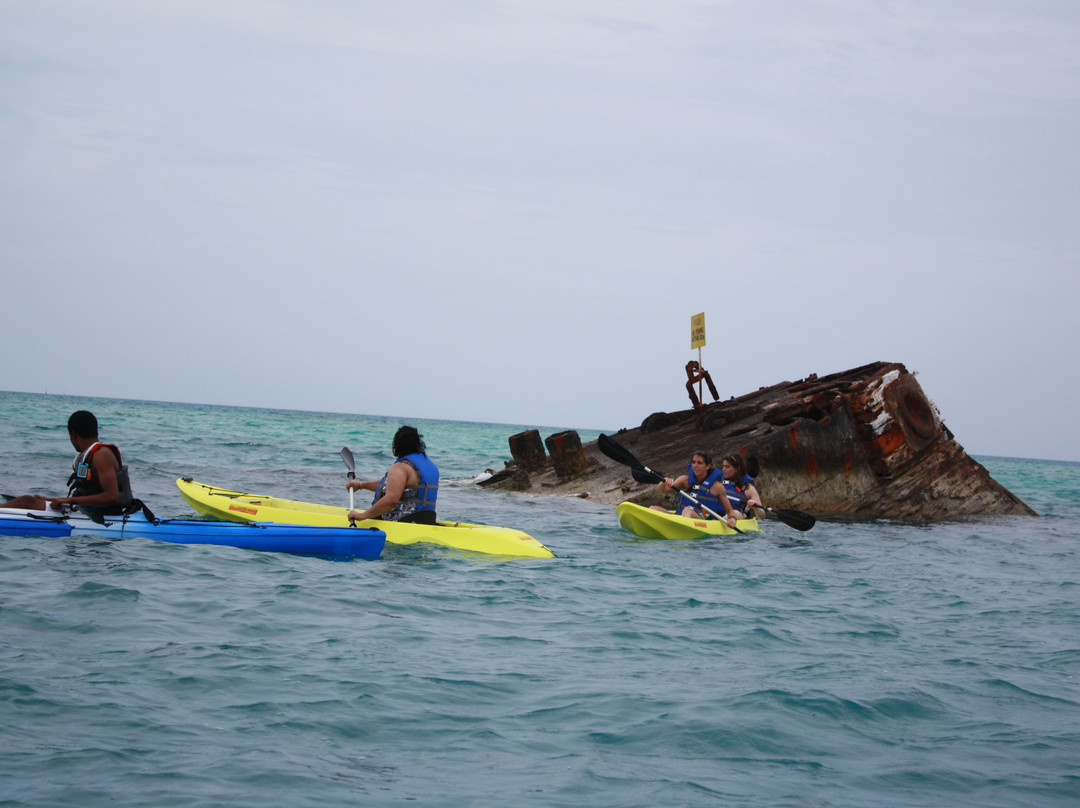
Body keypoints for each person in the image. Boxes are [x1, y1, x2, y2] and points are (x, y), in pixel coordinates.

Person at [2, 410, 133, 518]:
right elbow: (84, 495)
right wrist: (54, 500)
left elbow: (111, 496)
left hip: (97, 515)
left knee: (26, 501)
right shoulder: (88, 455)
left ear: (74, 434)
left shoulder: (101, 455)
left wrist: (69, 500)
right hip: (85, 510)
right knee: (31, 500)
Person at [346, 426, 439, 524]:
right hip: (426, 521)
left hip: (402, 522)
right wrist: (360, 485)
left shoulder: (401, 467)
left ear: (396, 446)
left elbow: (391, 499)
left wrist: (362, 516)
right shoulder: (430, 466)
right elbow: (392, 486)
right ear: (419, 443)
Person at [652, 450, 738, 528]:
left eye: (699, 463)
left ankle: (684, 534)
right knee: (653, 508)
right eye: (693, 462)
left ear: (708, 466)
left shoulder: (717, 487)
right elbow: (661, 490)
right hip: (680, 517)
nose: (695, 466)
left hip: (703, 521)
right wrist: (664, 482)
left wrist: (732, 519)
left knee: (687, 510)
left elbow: (729, 510)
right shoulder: (685, 480)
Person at [718, 453, 763, 519]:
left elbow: (762, 516)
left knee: (735, 513)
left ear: (737, 468)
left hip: (737, 517)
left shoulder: (748, 488)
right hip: (715, 516)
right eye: (723, 466)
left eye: (727, 467)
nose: (723, 469)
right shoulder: (718, 483)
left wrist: (756, 507)